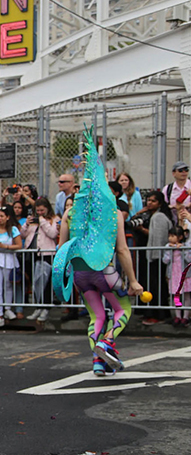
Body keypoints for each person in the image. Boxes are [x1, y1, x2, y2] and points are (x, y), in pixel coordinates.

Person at [54, 131, 143, 377]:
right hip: (105, 270)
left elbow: (62, 250)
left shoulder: (69, 214)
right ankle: (106, 343)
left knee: (97, 315)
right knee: (123, 309)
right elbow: (122, 249)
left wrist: (65, 278)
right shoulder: (113, 213)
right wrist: (133, 280)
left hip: (81, 273)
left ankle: (98, 362)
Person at [21, 197, 59, 322]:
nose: (39, 213)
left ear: (47, 209)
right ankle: (38, 306)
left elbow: (53, 234)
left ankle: (46, 307)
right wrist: (26, 224)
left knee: (45, 282)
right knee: (35, 281)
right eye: (37, 211)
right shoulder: (32, 220)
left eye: (42, 210)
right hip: (31, 253)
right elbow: (22, 235)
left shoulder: (54, 219)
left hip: (46, 253)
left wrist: (43, 221)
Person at [139, 190, 172, 325]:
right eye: (148, 200)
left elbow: (158, 239)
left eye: (153, 201)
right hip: (153, 256)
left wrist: (154, 256)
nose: (149, 203)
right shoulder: (150, 215)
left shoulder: (159, 217)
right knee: (153, 285)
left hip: (156, 257)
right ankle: (153, 313)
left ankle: (158, 314)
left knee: (157, 285)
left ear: (159, 203)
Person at [162, 226, 191, 327]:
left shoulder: (186, 245)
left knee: (187, 295)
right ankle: (177, 316)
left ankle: (186, 317)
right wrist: (170, 250)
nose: (170, 238)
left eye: (173, 236)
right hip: (174, 274)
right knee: (176, 296)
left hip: (185, 274)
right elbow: (165, 260)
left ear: (180, 237)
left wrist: (182, 249)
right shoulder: (167, 246)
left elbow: (189, 259)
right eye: (169, 236)